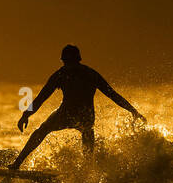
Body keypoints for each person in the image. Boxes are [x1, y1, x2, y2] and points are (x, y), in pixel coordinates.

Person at [10, 44, 144, 169]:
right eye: (66, 62)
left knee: (86, 132)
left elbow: (113, 95)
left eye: (71, 62)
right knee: (43, 130)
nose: (69, 65)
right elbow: (41, 98)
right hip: (67, 114)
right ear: (63, 61)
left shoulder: (87, 74)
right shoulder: (62, 74)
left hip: (82, 116)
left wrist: (133, 110)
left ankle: (86, 172)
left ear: (77, 60)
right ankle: (17, 163)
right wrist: (26, 115)